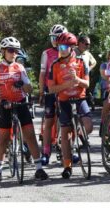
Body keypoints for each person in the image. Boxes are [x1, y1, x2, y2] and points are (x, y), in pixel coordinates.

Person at [0, 37, 48, 183]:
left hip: (20, 103)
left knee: (30, 135)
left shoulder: (19, 67)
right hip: (5, 105)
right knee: (3, 138)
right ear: (3, 52)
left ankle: (39, 168)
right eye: (10, 50)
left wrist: (22, 84)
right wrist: (0, 101)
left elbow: (29, 89)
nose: (13, 53)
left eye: (16, 51)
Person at [48, 32, 93, 179]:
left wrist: (77, 79)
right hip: (64, 101)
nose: (60, 49)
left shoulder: (81, 62)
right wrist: (67, 84)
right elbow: (51, 88)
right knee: (66, 134)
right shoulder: (55, 65)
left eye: (64, 46)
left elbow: (87, 84)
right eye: (59, 46)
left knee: (89, 126)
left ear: (72, 47)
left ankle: (79, 133)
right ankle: (67, 166)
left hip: (80, 99)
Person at [39, 24, 68, 165]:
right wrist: (40, 92)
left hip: (65, 90)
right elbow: (42, 74)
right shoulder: (47, 53)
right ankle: (45, 151)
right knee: (49, 121)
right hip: (50, 90)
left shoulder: (69, 51)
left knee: (66, 122)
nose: (54, 40)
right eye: (52, 38)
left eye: (57, 38)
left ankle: (67, 150)